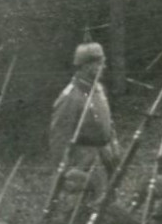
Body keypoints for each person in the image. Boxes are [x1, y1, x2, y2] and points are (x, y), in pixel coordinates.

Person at [49, 41, 120, 182]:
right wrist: (64, 173)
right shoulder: (71, 97)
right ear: (87, 66)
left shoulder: (99, 89)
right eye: (100, 63)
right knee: (90, 201)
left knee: (108, 199)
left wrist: (115, 147)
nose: (104, 67)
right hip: (84, 163)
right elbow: (60, 138)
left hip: (106, 158)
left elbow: (108, 122)